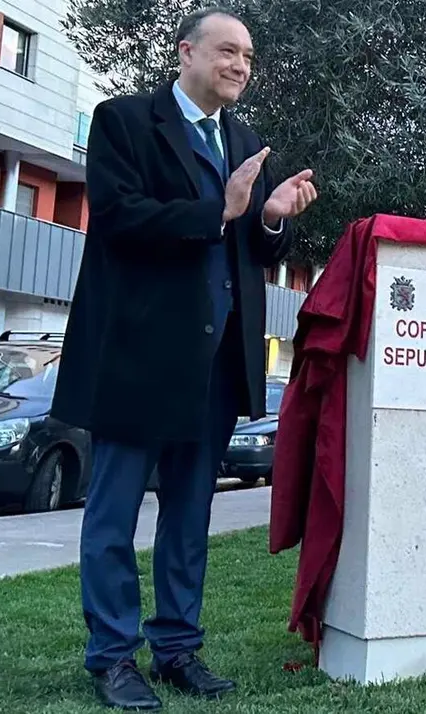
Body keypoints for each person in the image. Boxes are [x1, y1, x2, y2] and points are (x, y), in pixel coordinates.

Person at [51, 6, 318, 710]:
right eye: (228, 51)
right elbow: (117, 219)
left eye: (250, 58)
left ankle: (176, 649)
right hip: (137, 357)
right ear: (186, 53)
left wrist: (269, 216)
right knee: (111, 517)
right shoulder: (124, 122)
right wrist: (220, 210)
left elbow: (256, 251)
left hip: (216, 365)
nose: (241, 66)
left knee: (189, 516)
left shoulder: (247, 142)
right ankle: (111, 657)